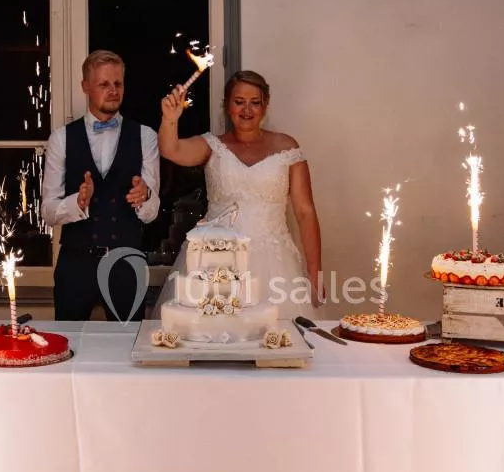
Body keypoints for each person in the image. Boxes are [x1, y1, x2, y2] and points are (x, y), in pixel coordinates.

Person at [157, 70, 323, 316]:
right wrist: (170, 119)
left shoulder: (287, 147)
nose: (247, 110)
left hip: (275, 264)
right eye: (239, 102)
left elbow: (305, 211)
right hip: (216, 261)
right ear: (227, 105)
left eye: (254, 102)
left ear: (265, 105)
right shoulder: (212, 146)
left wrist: (315, 271)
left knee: (278, 333)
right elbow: (171, 150)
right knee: (211, 331)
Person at [41, 50, 161, 321]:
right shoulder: (61, 139)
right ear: (85, 86)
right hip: (75, 263)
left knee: (128, 343)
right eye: (104, 84)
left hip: (127, 263)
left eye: (118, 83)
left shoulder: (145, 136)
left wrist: (144, 197)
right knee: (69, 342)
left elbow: (152, 213)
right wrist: (77, 202)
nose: (113, 91)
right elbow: (47, 212)